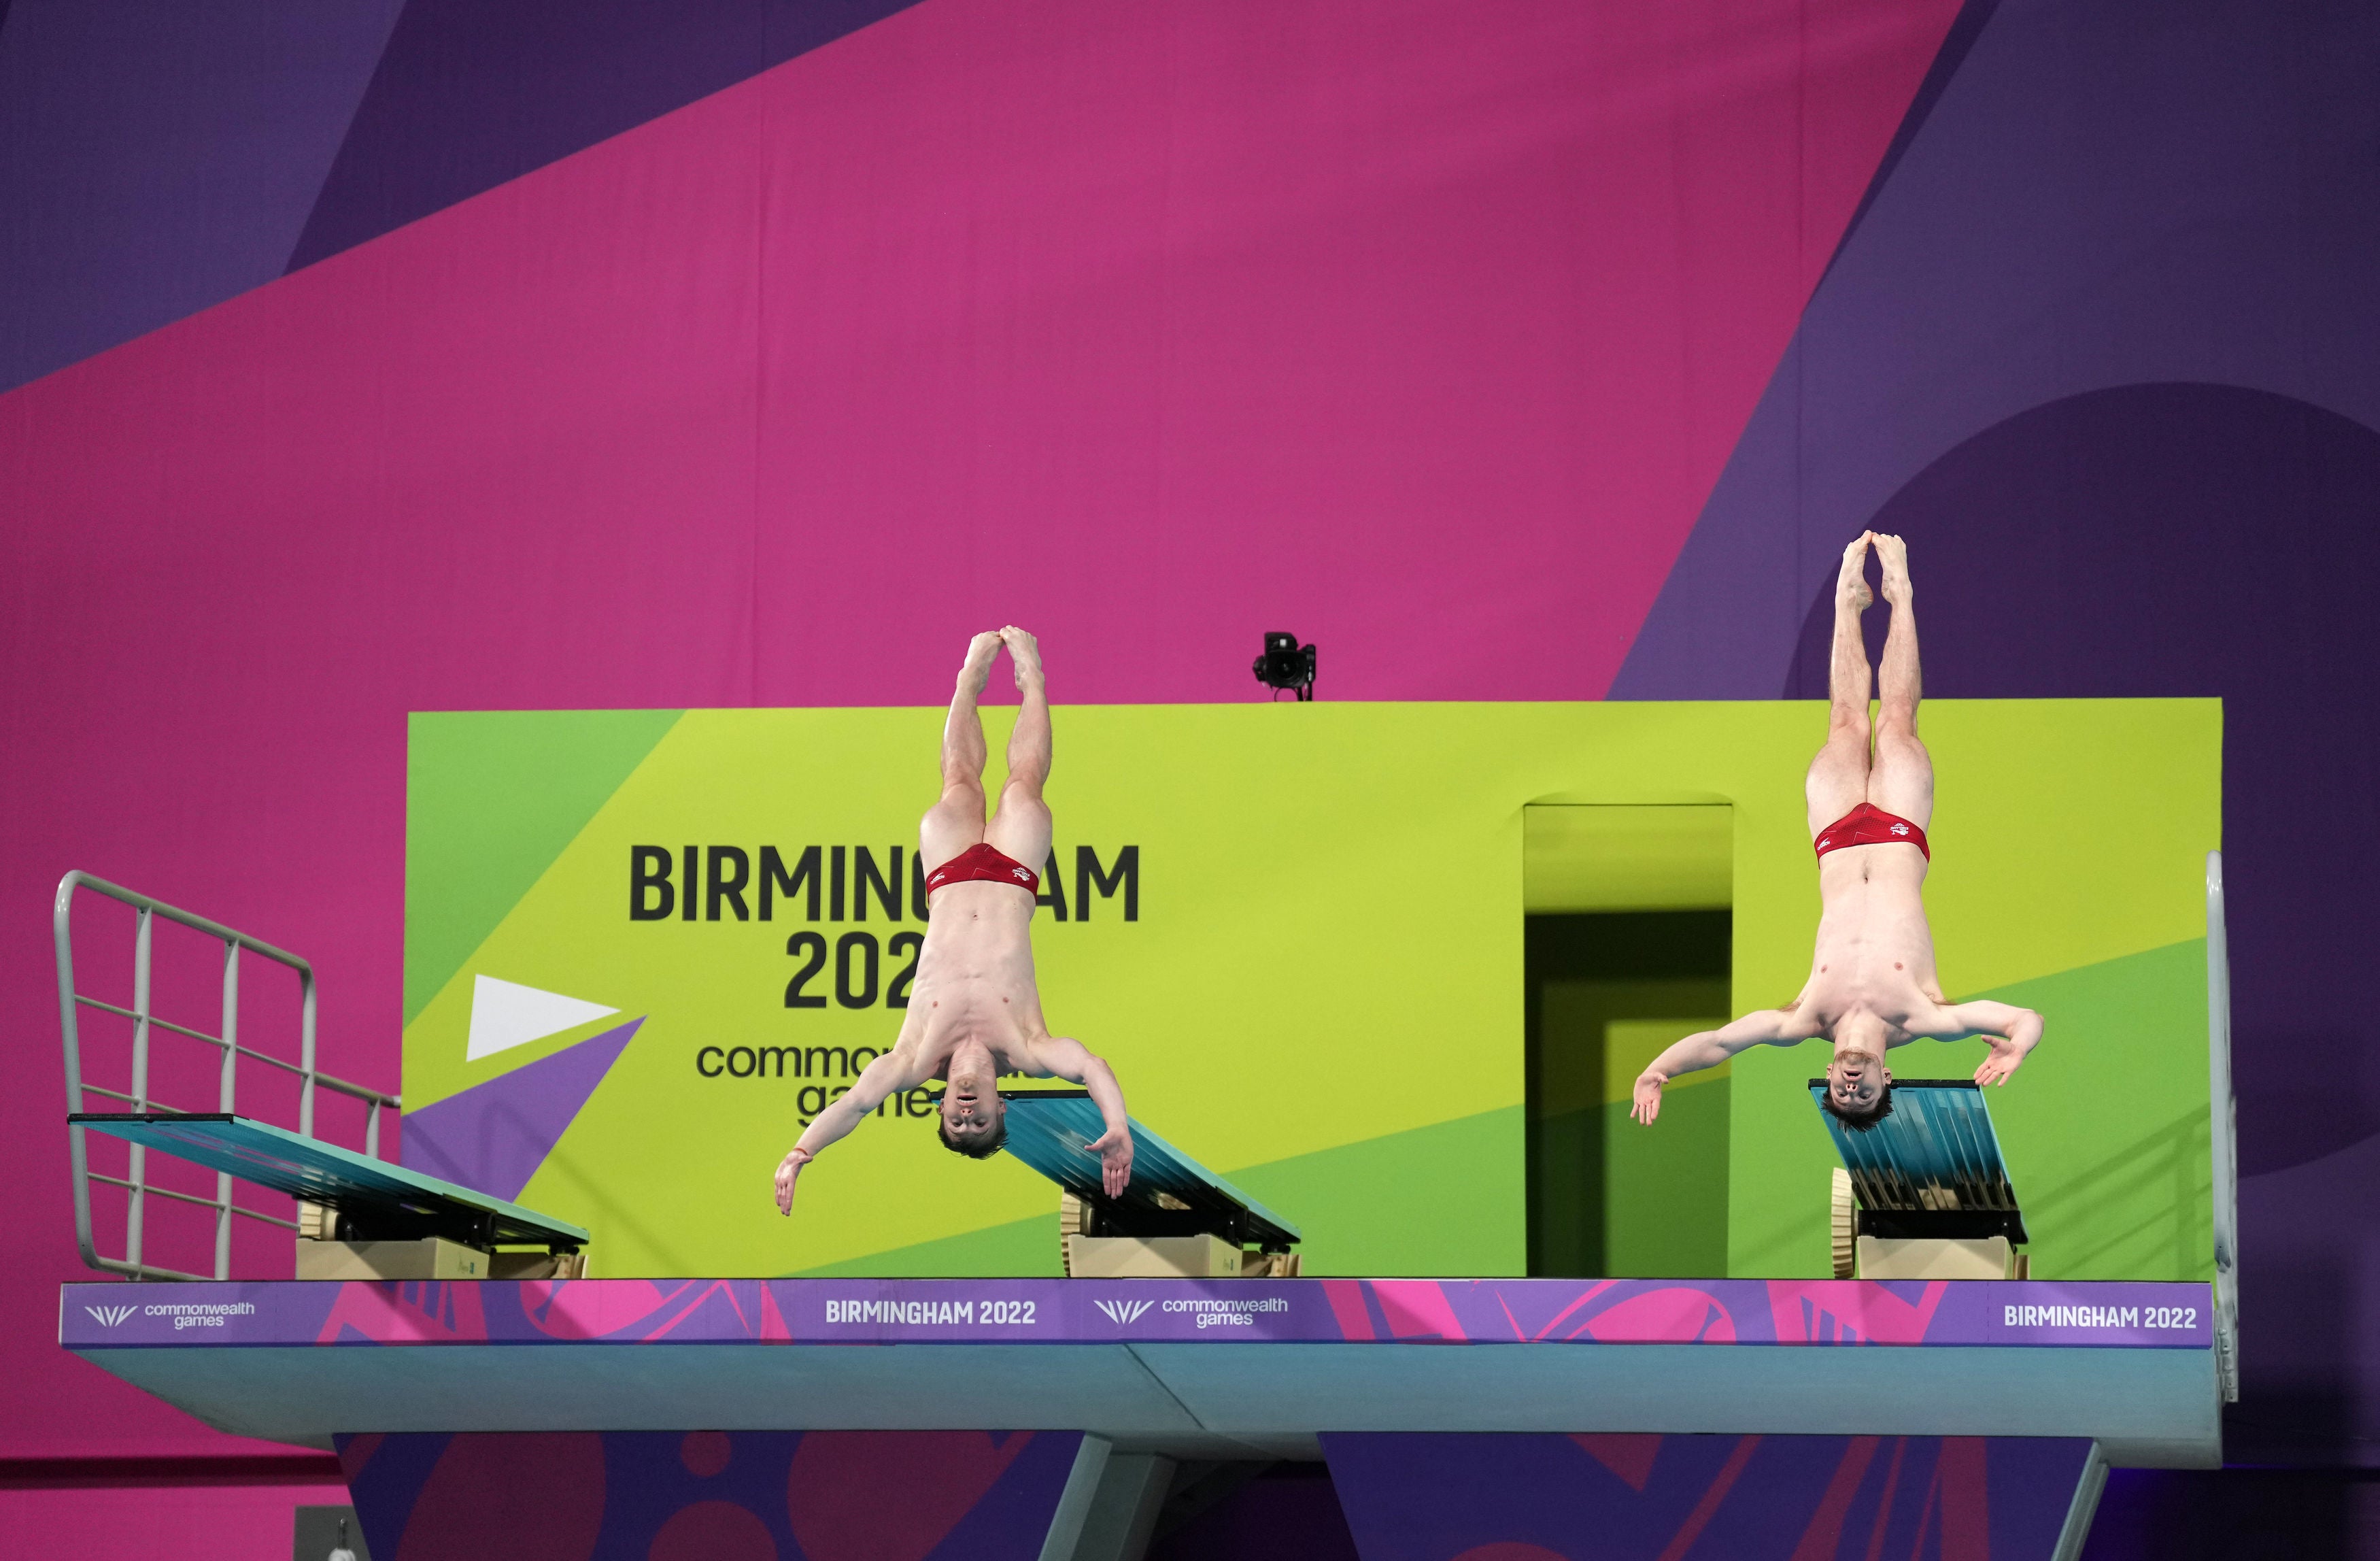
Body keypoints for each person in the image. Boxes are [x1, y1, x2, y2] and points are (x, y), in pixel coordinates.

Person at [1630, 533, 2043, 1132]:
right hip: (1900, 830)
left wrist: (1658, 1070)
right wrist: (2019, 1045)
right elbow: (2024, 1017)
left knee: (1845, 721)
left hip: (1835, 833)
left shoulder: (1803, 1018)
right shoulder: (1923, 1016)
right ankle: (1901, 594)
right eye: (1865, 1093)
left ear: (1827, 1075)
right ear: (1887, 1079)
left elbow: (1721, 1042)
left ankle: (1847, 601)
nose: (1851, 1085)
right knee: (1897, 720)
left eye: (1841, 1093)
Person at [774, 627, 1134, 1213]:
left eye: (957, 1121)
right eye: (981, 1120)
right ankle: (1033, 679)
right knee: (1023, 785)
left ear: (939, 1104)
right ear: (1001, 1104)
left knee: (959, 781)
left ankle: (967, 680)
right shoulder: (1028, 1049)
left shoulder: (915, 1057)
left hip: (948, 876)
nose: (967, 1113)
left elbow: (857, 1102)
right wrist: (1116, 1123)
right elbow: (1092, 1066)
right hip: (1013, 875)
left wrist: (801, 1151)